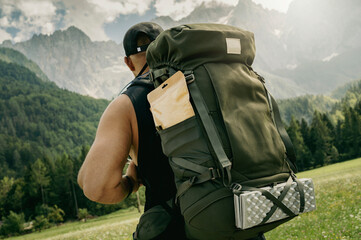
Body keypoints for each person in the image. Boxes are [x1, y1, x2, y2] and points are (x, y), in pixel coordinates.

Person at [77, 22, 183, 239]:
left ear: (127, 62)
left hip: (174, 228)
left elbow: (95, 186)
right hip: (233, 218)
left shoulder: (127, 104)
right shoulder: (199, 82)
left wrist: (130, 183)